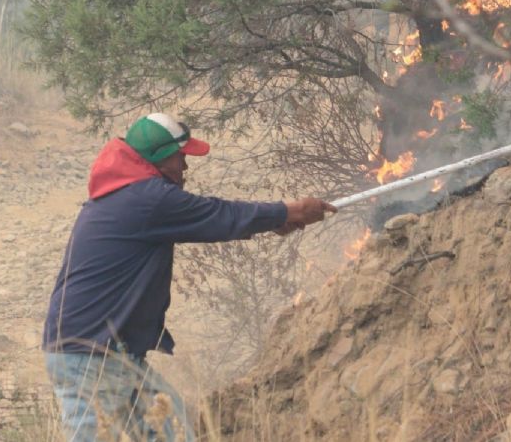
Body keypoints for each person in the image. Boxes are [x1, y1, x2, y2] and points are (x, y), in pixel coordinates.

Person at [42, 112, 335, 441]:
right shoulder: (148, 198)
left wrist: (273, 220)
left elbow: (210, 218)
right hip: (91, 355)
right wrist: (290, 211)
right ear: (160, 157)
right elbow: (217, 214)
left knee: (176, 430)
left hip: (105, 353)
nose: (185, 167)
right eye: (181, 157)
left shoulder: (129, 194)